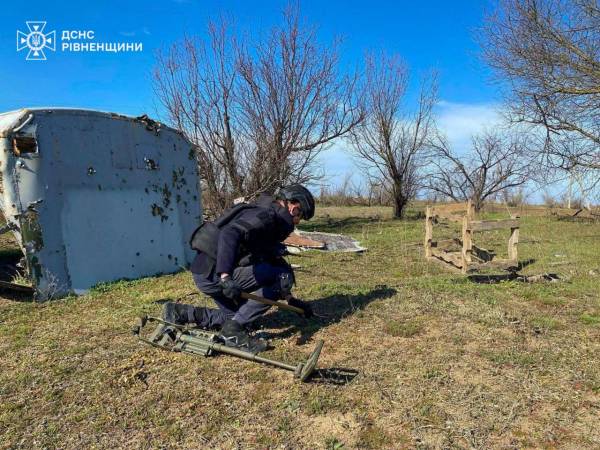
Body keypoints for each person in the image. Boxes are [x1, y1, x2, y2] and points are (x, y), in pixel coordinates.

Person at [162, 184, 315, 354]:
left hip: (204, 272)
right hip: (214, 273)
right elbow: (230, 233)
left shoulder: (268, 216)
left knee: (236, 317)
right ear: (292, 206)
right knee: (280, 277)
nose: (298, 221)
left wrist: (290, 299)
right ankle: (233, 333)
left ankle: (180, 312)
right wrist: (226, 277)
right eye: (300, 214)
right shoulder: (266, 216)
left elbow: (272, 258)